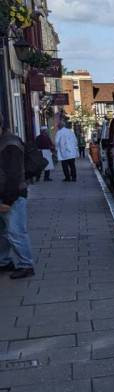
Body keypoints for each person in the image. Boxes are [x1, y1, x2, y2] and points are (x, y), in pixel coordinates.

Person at [0, 118, 34, 279]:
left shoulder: (10, 144)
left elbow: (14, 175)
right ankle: (4, 261)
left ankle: (26, 264)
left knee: (16, 231)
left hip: (13, 195)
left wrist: (7, 201)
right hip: (5, 194)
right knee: (3, 232)